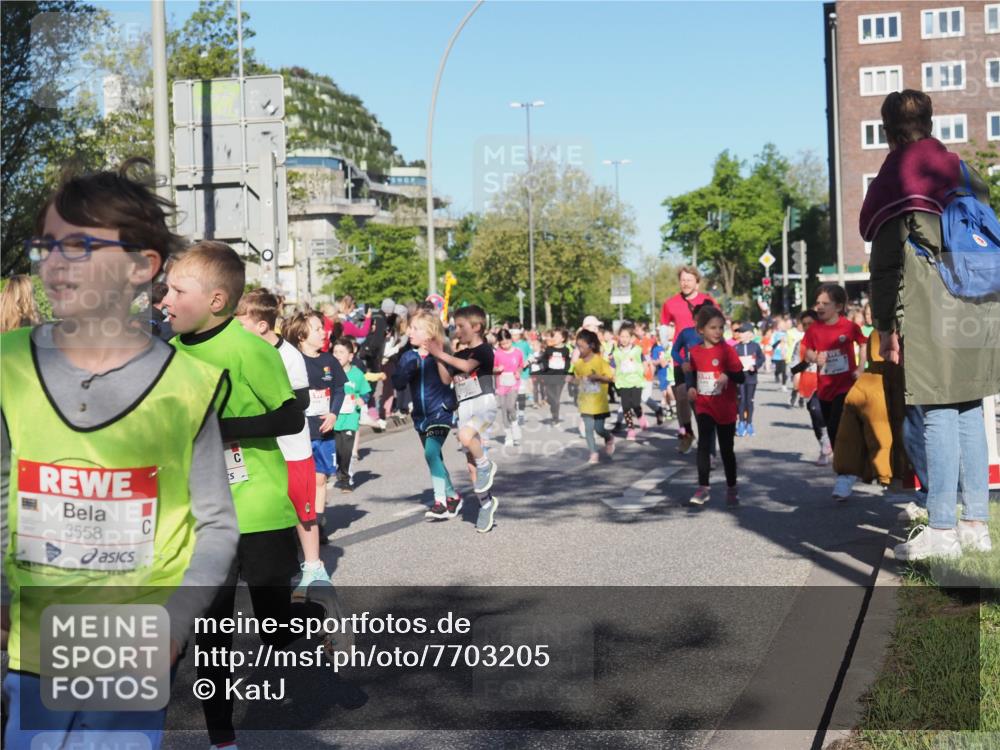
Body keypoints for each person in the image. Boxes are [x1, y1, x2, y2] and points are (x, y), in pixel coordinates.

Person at [1, 161, 238, 750]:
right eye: (47, 245)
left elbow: (215, 524)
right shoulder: (8, 363)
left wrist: (175, 625)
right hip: (30, 646)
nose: (56, 263)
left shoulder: (189, 385)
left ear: (141, 267)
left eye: (80, 246)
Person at [165, 242, 344, 748]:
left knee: (276, 631)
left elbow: (289, 416)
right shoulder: (167, 355)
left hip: (261, 508)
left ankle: (311, 617)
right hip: (203, 519)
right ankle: (222, 739)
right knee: (211, 635)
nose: (165, 300)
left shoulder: (250, 350)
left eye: (177, 291)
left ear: (215, 300)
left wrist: (220, 429)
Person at [863, 89, 999, 559]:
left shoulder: (896, 176)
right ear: (931, 122)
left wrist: (885, 326)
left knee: (938, 411)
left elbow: (885, 265)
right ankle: (976, 524)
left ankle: (941, 529)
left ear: (887, 131)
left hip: (931, 302)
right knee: (969, 410)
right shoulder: (960, 168)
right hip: (978, 300)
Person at [234, 288, 329, 597]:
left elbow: (299, 402)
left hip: (293, 448)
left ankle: (314, 566)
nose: (235, 328)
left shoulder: (289, 355)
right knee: (270, 508)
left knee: (303, 510)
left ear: (262, 325)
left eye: (240, 322)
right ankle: (273, 568)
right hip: (263, 448)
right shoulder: (244, 351)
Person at [425, 305, 500, 533]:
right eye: (455, 327)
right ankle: (486, 504)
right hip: (465, 408)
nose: (457, 331)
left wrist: (441, 354)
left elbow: (468, 367)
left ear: (476, 327)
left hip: (484, 405)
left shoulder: (484, 350)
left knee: (466, 437)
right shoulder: (458, 355)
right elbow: (446, 379)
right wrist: (438, 356)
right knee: (470, 466)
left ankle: (487, 465)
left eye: (460, 326)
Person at [283, 311, 347, 545]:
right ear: (301, 335)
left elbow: (339, 389)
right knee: (300, 483)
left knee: (320, 480)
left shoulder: (329, 361)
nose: (324, 332)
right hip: (300, 432)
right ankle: (296, 525)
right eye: (318, 329)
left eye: (323, 328)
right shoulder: (292, 360)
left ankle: (317, 523)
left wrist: (333, 413)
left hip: (324, 431)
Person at [801, 283, 868, 500]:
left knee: (839, 425)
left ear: (838, 306)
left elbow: (863, 344)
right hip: (825, 389)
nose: (819, 307)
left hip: (846, 386)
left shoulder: (849, 327)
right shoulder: (814, 329)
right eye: (817, 303)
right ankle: (846, 468)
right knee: (832, 431)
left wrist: (861, 367)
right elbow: (806, 351)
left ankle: (845, 476)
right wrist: (815, 357)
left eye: (825, 303)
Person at [392, 311, 461, 520]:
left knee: (431, 453)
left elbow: (449, 379)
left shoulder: (441, 354)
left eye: (415, 329)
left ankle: (440, 502)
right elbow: (398, 384)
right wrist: (407, 369)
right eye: (410, 328)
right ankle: (452, 496)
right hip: (421, 417)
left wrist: (438, 356)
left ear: (429, 333)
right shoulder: (408, 356)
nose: (409, 332)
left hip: (441, 413)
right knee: (435, 457)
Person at [686, 305, 745, 506]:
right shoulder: (694, 352)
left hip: (726, 407)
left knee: (727, 449)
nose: (718, 332)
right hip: (704, 405)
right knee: (704, 444)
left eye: (721, 327)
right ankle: (703, 488)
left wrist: (727, 375)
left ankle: (732, 487)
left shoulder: (727, 351)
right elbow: (693, 374)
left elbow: (741, 376)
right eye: (713, 328)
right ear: (701, 330)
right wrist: (691, 387)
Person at [661, 266, 718, 454]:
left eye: (689, 280)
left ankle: (708, 443)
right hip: (682, 360)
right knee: (681, 397)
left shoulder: (708, 301)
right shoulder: (670, 303)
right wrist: (663, 346)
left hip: (705, 360)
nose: (685, 283)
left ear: (697, 283)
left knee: (702, 404)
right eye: (682, 280)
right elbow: (664, 325)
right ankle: (687, 433)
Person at [790, 310, 833, 465]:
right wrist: (808, 362)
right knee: (815, 415)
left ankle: (831, 444)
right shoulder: (800, 344)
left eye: (811, 323)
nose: (808, 327)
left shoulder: (829, 340)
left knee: (825, 414)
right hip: (809, 385)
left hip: (828, 384)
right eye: (805, 324)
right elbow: (794, 367)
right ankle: (824, 446)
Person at [570, 328, 616, 464]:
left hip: (599, 403)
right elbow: (577, 379)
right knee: (588, 429)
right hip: (585, 402)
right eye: (577, 347)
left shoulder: (600, 362)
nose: (579, 350)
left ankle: (609, 437)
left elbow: (611, 378)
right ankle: (593, 452)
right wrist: (573, 380)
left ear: (591, 346)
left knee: (599, 429)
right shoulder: (578, 364)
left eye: (582, 347)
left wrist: (598, 377)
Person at [331, 336, 371, 492]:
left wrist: (362, 399)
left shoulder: (357, 374)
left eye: (341, 352)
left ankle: (346, 480)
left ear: (350, 356)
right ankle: (340, 472)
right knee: (337, 450)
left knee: (347, 450)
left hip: (350, 418)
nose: (337, 355)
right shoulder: (329, 373)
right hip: (334, 418)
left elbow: (366, 392)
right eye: (335, 352)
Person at [612, 322, 646, 440]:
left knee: (635, 404)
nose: (624, 339)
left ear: (631, 338)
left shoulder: (637, 350)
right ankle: (631, 430)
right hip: (623, 382)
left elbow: (644, 361)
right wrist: (612, 375)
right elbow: (613, 365)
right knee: (626, 406)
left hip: (636, 381)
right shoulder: (616, 352)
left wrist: (645, 370)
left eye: (627, 336)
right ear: (618, 337)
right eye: (622, 336)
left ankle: (640, 417)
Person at [493, 328, 525, 447]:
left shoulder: (518, 352)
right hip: (501, 383)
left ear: (511, 340)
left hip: (513, 382)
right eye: (502, 344)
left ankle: (515, 425)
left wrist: (518, 372)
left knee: (510, 406)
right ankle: (508, 435)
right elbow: (492, 368)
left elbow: (521, 365)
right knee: (504, 409)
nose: (505, 346)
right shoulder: (497, 353)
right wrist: (497, 369)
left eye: (507, 342)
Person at [733, 322, 765, 437]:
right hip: (740, 377)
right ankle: (741, 423)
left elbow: (761, 358)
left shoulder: (755, 346)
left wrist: (755, 366)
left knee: (749, 401)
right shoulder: (735, 347)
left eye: (742, 332)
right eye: (739, 332)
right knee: (741, 400)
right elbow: (732, 361)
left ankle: (749, 423)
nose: (740, 334)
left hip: (751, 377)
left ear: (750, 334)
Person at [541, 328, 572, 424]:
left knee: (556, 398)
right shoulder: (549, 349)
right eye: (553, 336)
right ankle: (552, 407)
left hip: (560, 377)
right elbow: (544, 360)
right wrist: (544, 370)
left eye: (557, 336)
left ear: (563, 338)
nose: (554, 338)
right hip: (549, 376)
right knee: (551, 398)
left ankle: (556, 418)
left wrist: (567, 372)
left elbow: (568, 362)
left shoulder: (566, 350)